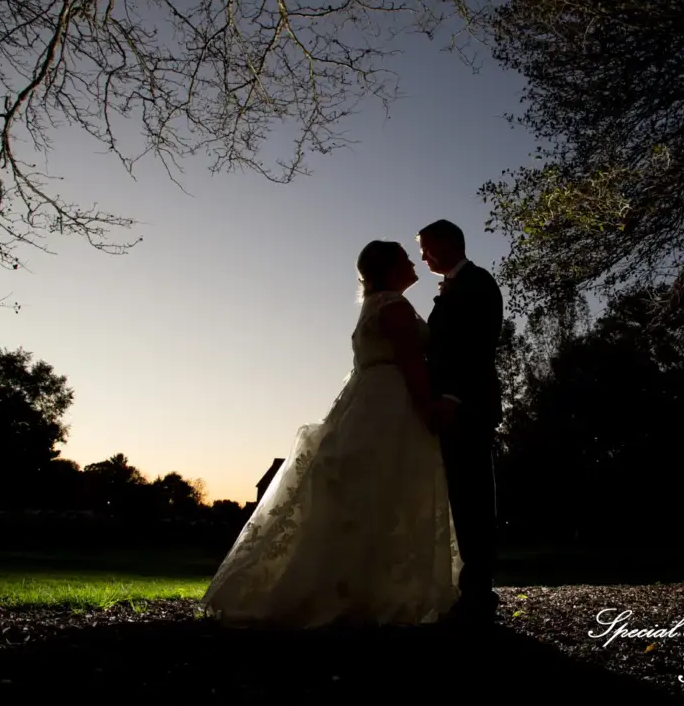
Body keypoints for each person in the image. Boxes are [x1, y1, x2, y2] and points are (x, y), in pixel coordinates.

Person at [201, 240, 460, 628]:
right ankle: (367, 593)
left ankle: (354, 588)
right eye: (406, 257)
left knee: (363, 496)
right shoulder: (393, 306)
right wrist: (427, 409)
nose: (413, 262)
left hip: (368, 402)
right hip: (388, 407)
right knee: (385, 490)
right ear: (389, 267)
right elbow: (411, 362)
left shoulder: (375, 306)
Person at [417, 219, 504, 625]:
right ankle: (471, 587)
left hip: (468, 404)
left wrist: (451, 397)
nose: (422, 257)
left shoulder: (478, 284)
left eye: (426, 248)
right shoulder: (456, 285)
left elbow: (475, 347)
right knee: (460, 495)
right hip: (453, 404)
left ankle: (479, 591)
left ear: (447, 244)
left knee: (473, 496)